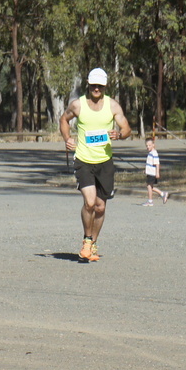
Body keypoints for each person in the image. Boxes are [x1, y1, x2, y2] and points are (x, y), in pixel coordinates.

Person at [59, 68, 132, 263]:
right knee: (90, 202)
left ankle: (93, 243)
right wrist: (67, 138)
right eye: (94, 85)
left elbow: (126, 128)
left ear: (105, 87)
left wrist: (120, 134)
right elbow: (64, 120)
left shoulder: (113, 106)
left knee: (100, 207)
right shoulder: (78, 105)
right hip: (83, 160)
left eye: (100, 85)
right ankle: (86, 240)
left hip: (104, 162)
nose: (97, 88)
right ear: (88, 85)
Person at [143, 136, 170, 205]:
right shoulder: (150, 153)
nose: (148, 147)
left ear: (153, 145)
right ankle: (162, 194)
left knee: (149, 186)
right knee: (150, 187)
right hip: (149, 172)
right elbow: (149, 163)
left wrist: (157, 173)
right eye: (147, 145)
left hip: (152, 173)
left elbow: (157, 164)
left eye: (149, 145)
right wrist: (146, 170)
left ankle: (150, 201)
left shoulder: (154, 153)